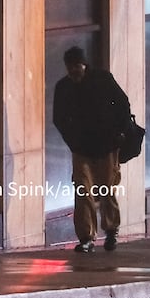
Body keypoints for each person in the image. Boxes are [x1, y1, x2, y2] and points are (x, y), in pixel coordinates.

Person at [53, 46, 130, 253]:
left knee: (105, 190)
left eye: (76, 67)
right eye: (70, 68)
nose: (74, 72)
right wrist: (73, 141)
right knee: (84, 192)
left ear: (84, 64)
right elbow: (58, 118)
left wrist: (120, 132)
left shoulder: (102, 80)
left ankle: (110, 230)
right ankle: (87, 237)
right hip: (83, 148)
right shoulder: (65, 87)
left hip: (106, 145)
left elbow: (122, 104)